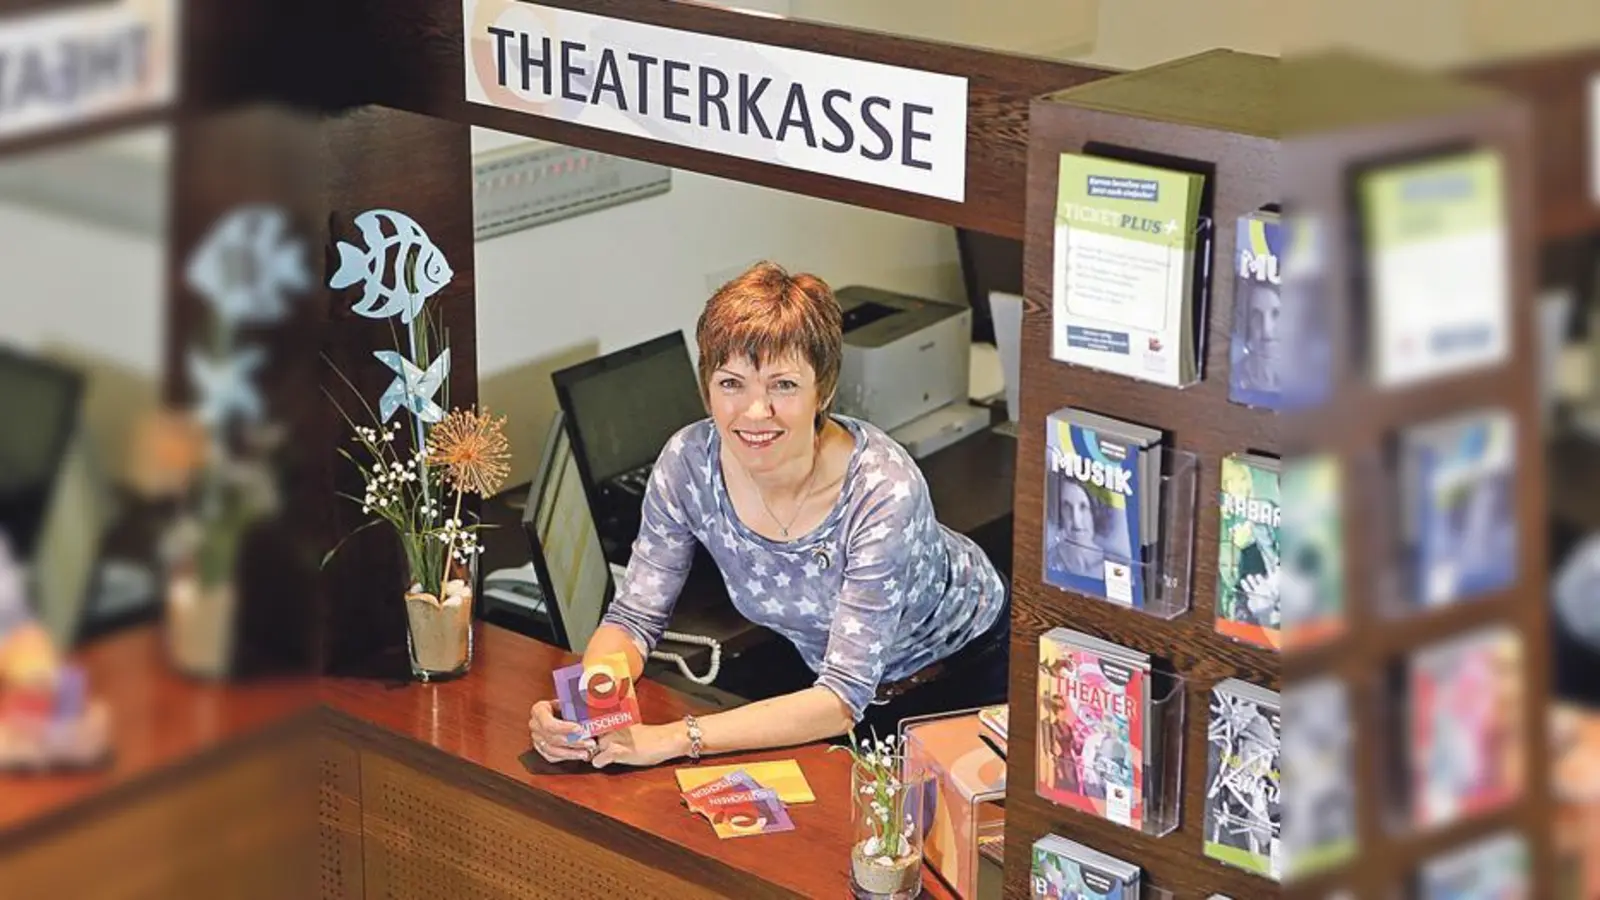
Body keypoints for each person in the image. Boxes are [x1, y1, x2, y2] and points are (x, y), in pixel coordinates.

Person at [528, 261, 1009, 768]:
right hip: (833, 685)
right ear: (705, 387)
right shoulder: (688, 462)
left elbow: (841, 701)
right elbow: (632, 619)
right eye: (732, 383)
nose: (755, 412)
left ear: (822, 390)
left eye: (782, 385)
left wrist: (672, 738)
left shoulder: (883, 490)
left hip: (961, 674)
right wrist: (589, 704)